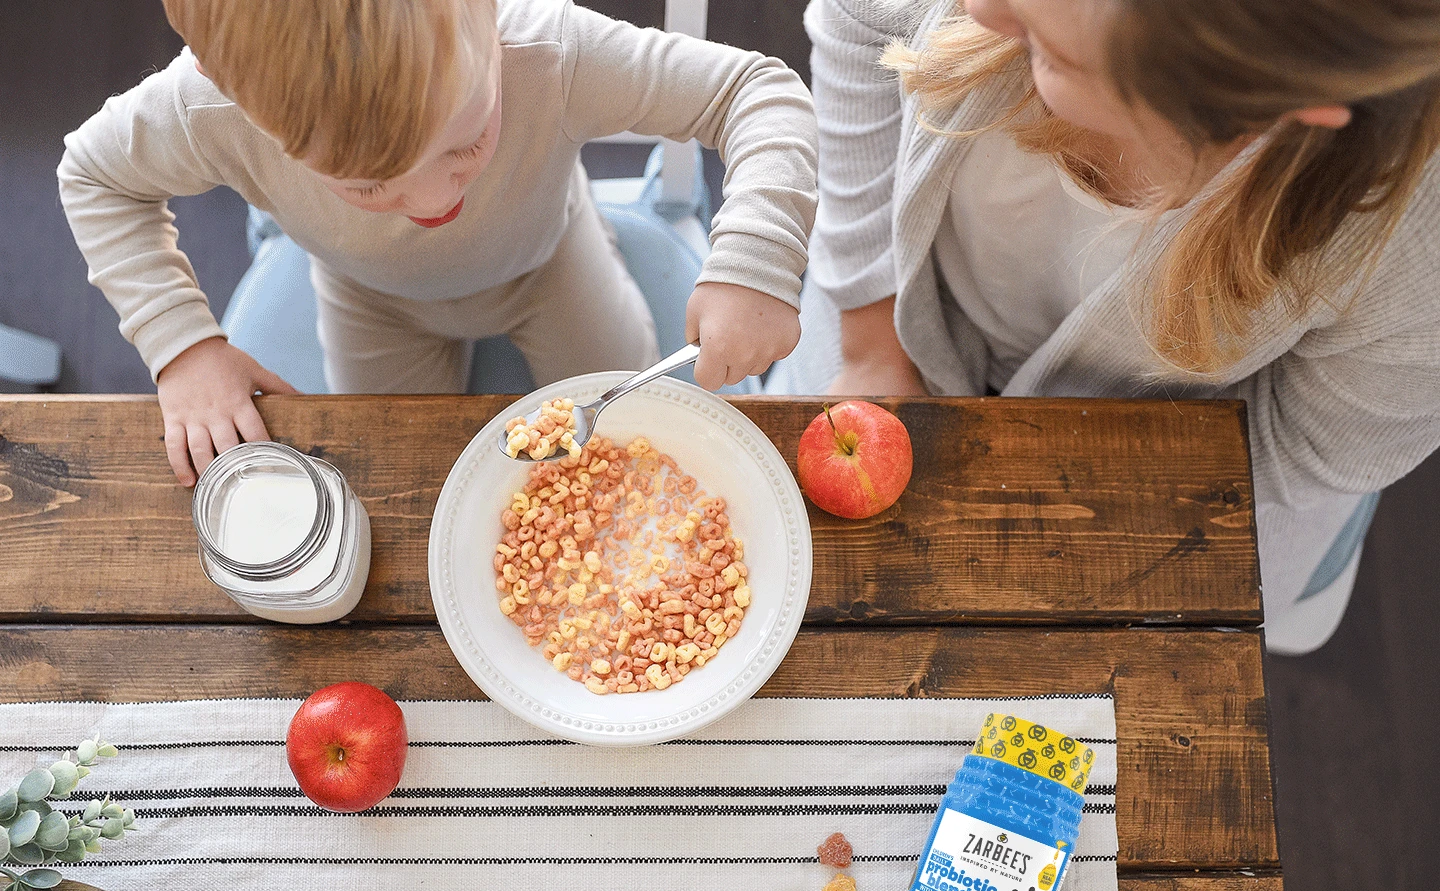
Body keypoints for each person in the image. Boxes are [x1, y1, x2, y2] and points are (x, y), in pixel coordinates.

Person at [774, 0, 1440, 653]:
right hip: (893, 309)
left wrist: (1045, 505)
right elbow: (859, 27)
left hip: (1181, 470)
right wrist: (872, 352)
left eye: (1051, 50)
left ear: (1257, 102)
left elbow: (1304, 442)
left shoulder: (1416, 254)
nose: (974, 10)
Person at [59, 0, 818, 487]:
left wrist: (757, 256)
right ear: (235, 97)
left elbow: (757, 93)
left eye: (466, 143)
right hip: (370, 300)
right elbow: (93, 176)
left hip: (547, 263)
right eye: (366, 185)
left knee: (625, 443)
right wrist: (183, 346)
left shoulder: (549, 52)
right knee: (404, 483)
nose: (434, 201)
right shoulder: (205, 107)